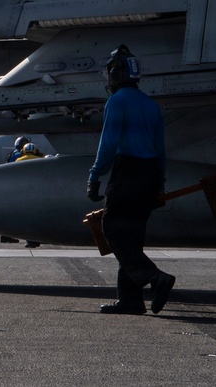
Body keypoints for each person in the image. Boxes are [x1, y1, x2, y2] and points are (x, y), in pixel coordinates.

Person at [87, 45, 176, 315]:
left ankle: (157, 278)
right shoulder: (151, 105)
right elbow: (161, 150)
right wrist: (159, 184)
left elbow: (109, 143)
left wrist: (94, 176)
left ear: (116, 74)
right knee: (132, 238)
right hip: (149, 174)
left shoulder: (117, 101)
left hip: (127, 173)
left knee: (112, 229)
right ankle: (130, 300)